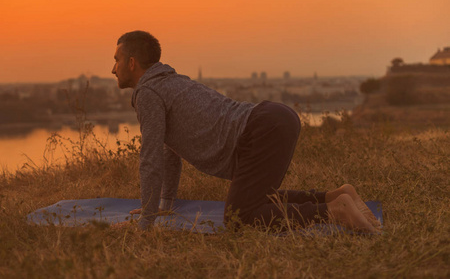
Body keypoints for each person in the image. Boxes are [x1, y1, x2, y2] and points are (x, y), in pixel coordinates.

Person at [112, 30, 381, 233]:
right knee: (258, 199)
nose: (113, 68)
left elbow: (150, 159)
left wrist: (144, 223)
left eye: (117, 60)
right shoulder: (168, 82)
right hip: (274, 118)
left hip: (260, 129)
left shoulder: (147, 92)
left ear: (132, 63)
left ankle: (336, 211)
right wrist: (165, 204)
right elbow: (166, 152)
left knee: (240, 218)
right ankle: (335, 196)